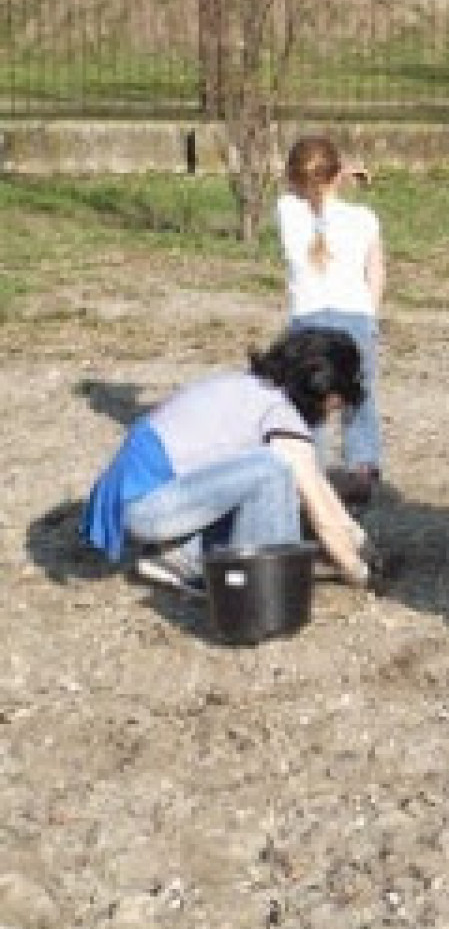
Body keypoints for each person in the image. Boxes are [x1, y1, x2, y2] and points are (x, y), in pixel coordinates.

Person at [81, 327, 376, 593]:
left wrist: (355, 536)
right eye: (338, 401)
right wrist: (356, 570)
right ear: (322, 390)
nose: (335, 413)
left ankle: (180, 555)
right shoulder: (279, 412)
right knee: (273, 472)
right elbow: (318, 507)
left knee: (279, 483)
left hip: (141, 498)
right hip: (147, 508)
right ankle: (265, 579)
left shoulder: (249, 388)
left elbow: (314, 478)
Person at [278, 136, 385, 509]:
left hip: (307, 322)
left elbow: (295, 187)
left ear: (295, 178)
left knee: (311, 399)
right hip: (356, 317)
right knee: (360, 394)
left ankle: (313, 471)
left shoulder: (288, 213)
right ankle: (363, 466)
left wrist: (333, 174)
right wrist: (370, 316)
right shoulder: (365, 219)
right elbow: (375, 272)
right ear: (336, 175)